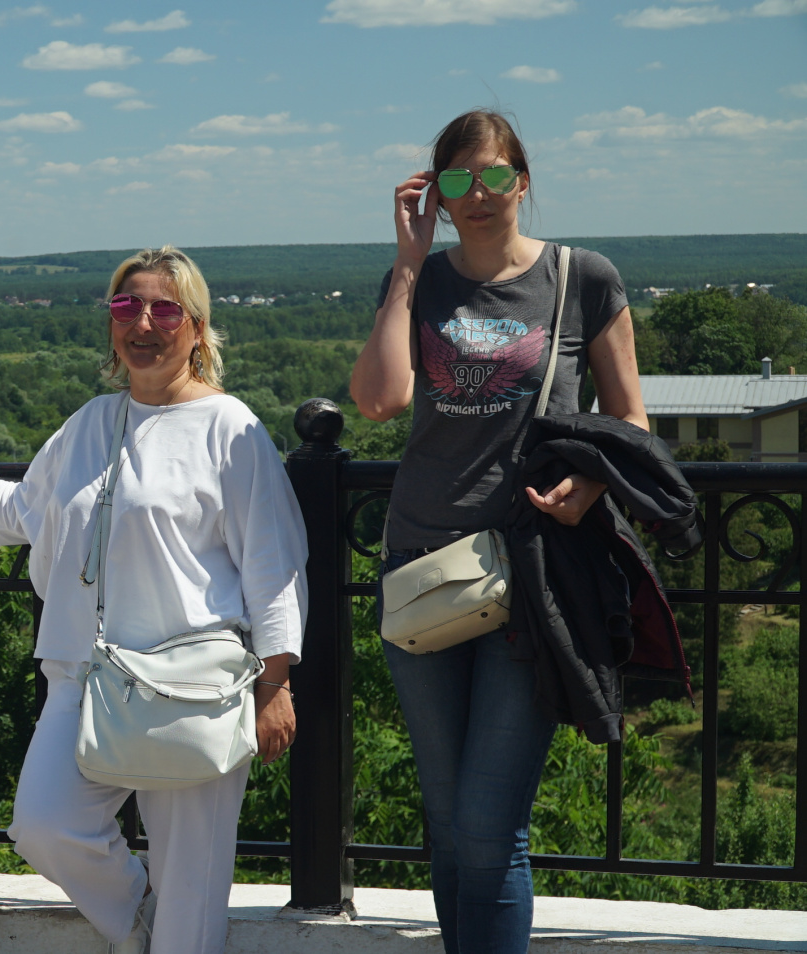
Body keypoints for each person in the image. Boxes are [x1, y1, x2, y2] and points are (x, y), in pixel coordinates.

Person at [0, 246, 308, 954]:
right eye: (127, 307)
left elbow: (272, 565)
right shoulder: (92, 422)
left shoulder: (229, 428)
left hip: (195, 684)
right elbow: (25, 509)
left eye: (165, 310)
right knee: (43, 824)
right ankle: (137, 922)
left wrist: (275, 683)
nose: (143, 324)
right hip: (87, 675)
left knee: (192, 882)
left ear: (197, 327)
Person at [349, 110, 647, 954]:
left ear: (523, 181)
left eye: (493, 176)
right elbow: (380, 401)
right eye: (456, 180)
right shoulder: (418, 281)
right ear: (434, 195)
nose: (476, 195)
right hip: (422, 564)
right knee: (449, 822)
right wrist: (408, 264)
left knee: (488, 827)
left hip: (532, 570)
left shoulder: (581, 278)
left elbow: (630, 419)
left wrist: (593, 482)